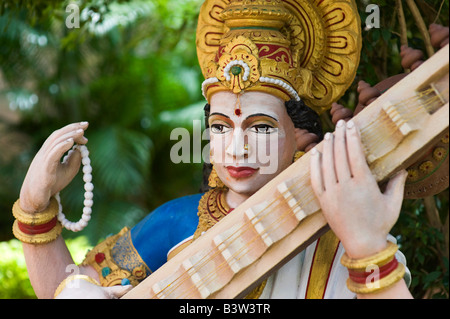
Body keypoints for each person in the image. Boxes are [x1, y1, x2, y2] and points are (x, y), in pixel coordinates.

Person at [12, 0, 414, 299]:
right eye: (221, 127)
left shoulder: (342, 229)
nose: (236, 148)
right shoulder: (180, 222)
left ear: (301, 135)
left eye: (260, 127)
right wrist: (35, 207)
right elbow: (65, 290)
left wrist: (366, 245)